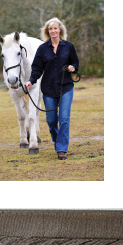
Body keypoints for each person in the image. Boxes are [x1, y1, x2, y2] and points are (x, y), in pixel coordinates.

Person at [25, 17, 79, 160]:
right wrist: (31, 81)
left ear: (60, 29)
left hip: (65, 87)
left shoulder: (69, 46)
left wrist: (73, 67)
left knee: (64, 118)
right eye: (50, 29)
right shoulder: (42, 49)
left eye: (55, 28)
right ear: (47, 31)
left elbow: (75, 62)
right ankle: (56, 139)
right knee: (51, 120)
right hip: (48, 89)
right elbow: (36, 68)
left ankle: (62, 149)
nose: (53, 31)